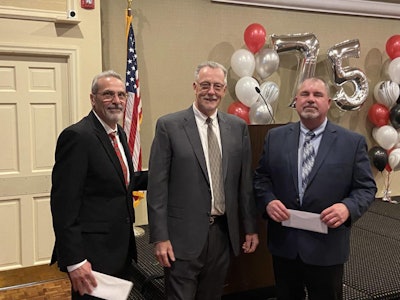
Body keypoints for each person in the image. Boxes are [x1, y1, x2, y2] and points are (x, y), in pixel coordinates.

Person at [254, 77, 377, 300]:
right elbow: (262, 179)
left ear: (328, 102)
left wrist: (347, 207)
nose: (310, 99)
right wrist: (268, 201)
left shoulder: (352, 142)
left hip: (327, 247)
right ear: (296, 101)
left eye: (317, 95)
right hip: (285, 246)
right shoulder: (275, 138)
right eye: (305, 94)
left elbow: (366, 188)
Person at [146, 61, 259, 300]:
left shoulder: (237, 128)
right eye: (205, 85)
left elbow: (244, 185)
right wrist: (160, 237)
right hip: (181, 238)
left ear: (225, 90)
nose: (211, 91)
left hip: (222, 235)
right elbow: (157, 187)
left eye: (217, 86)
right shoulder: (169, 126)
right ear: (195, 87)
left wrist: (250, 228)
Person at [50, 70, 144, 299]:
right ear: (93, 99)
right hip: (91, 257)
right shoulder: (78, 137)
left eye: (121, 95)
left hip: (119, 250)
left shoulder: (118, 133)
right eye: (108, 94)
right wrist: (75, 261)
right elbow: (63, 206)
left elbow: (123, 182)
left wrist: (166, 174)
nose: (116, 101)